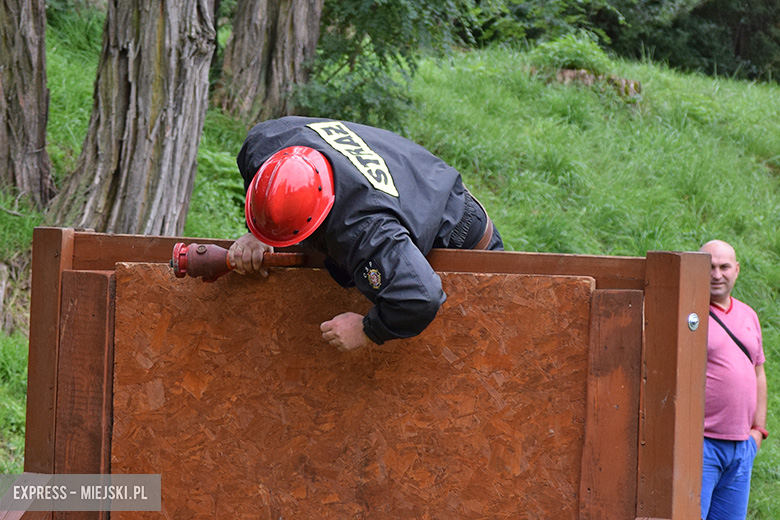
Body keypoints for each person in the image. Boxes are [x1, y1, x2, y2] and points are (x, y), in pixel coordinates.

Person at [228, 116, 503, 352]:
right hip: (418, 187)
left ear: (320, 216)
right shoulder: (267, 141)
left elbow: (421, 297)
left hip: (459, 234)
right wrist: (261, 232)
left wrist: (366, 330)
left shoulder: (365, 229)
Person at [699, 239, 768, 520]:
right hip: (701, 445)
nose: (717, 274)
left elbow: (758, 372)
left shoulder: (748, 314)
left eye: (724, 267)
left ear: (736, 270)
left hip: (741, 446)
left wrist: (757, 431)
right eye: (709, 267)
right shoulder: (687, 314)